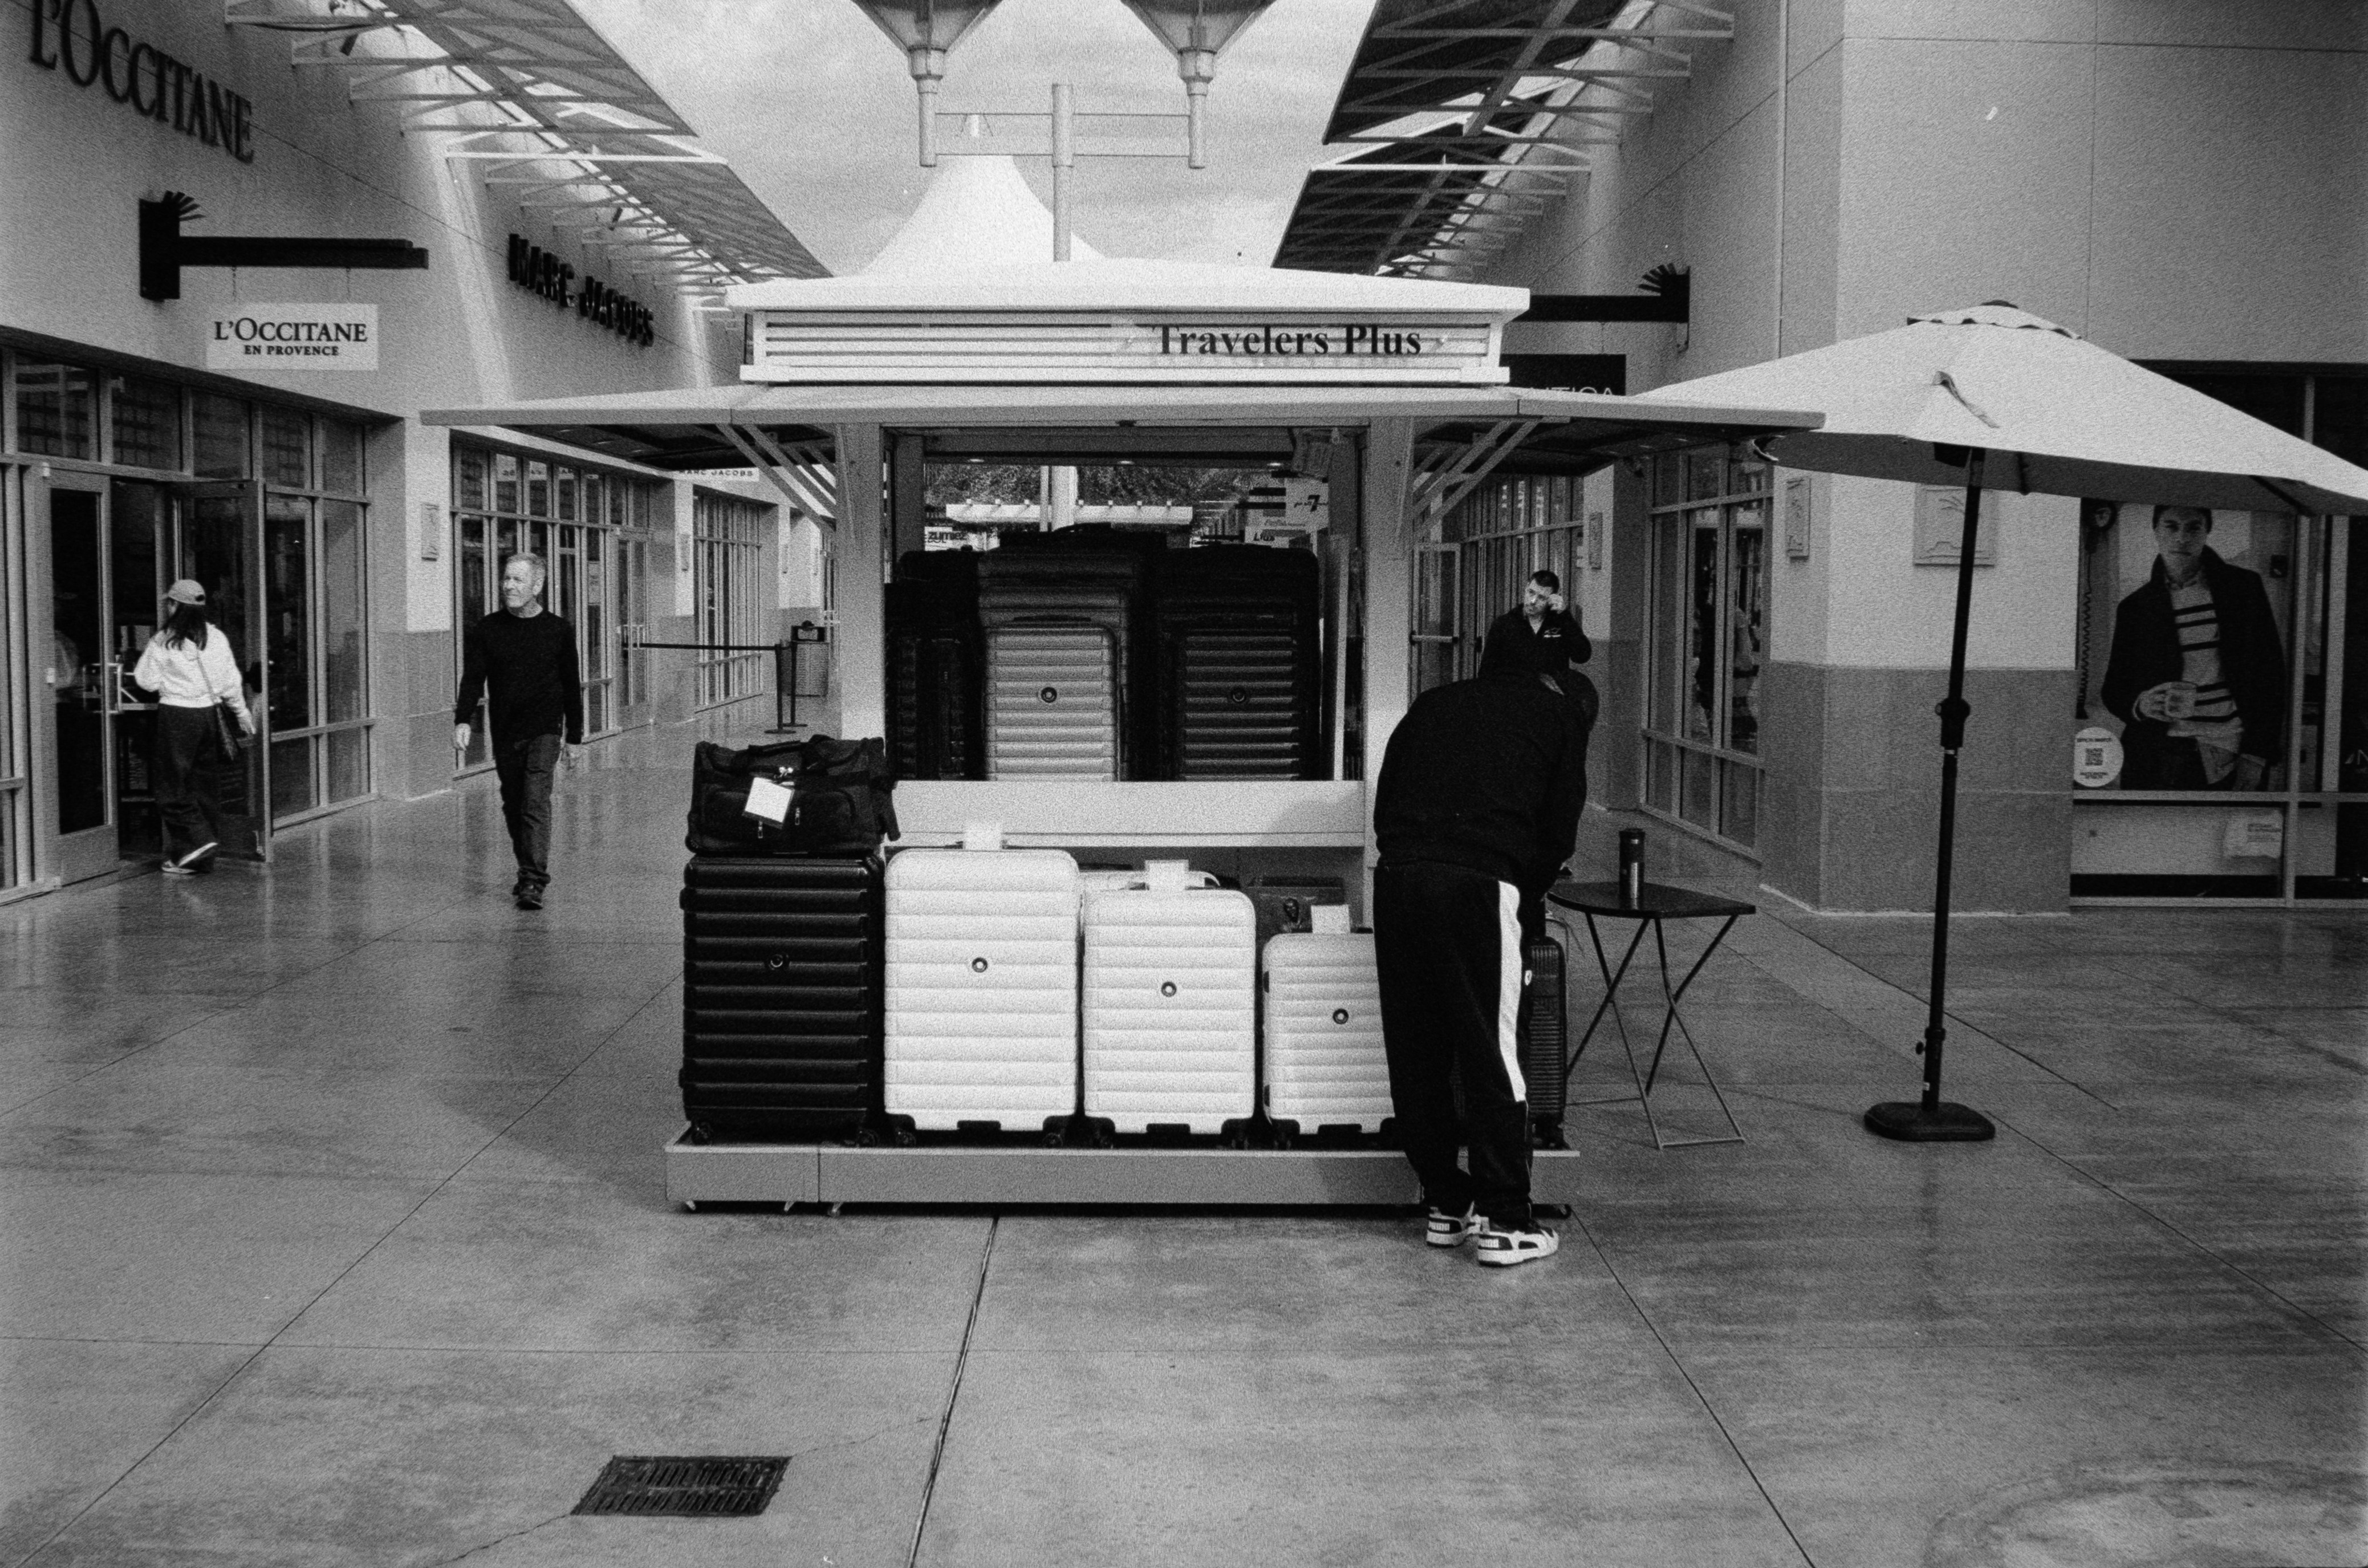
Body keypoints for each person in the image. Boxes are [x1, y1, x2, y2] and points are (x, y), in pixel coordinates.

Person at [1371, 661, 1590, 1268]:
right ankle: (1507, 1219)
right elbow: (1559, 828)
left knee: (1417, 1045)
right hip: (1480, 882)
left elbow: (1387, 795)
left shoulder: (1433, 701)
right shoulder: (1561, 711)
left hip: (1398, 876)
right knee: (1492, 1047)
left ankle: (1447, 1202)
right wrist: (1524, 888)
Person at [2101, 505, 2285, 791]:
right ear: (2156, 531)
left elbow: (2270, 675)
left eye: (2193, 527)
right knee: (2150, 834)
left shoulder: (2242, 589)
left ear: (2207, 531)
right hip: (2156, 751)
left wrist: (2257, 755)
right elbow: (2114, 689)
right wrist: (2141, 704)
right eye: (2171, 527)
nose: (2182, 538)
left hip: (2228, 749)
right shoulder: (2136, 607)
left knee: (2231, 834)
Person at [454, 554, 583, 909]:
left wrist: (574, 736)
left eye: (517, 580)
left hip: (545, 728)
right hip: (506, 729)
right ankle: (526, 867)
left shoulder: (558, 630)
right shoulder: (487, 629)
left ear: (537, 586)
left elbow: (571, 685)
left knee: (535, 802)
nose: (508, 586)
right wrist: (463, 718)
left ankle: (533, 880)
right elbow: (473, 678)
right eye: (506, 579)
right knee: (513, 803)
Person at [131, 579, 255, 876]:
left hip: (177, 716)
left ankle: (199, 841)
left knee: (171, 786)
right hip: (209, 716)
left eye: (170, 603)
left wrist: (171, 684)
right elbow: (230, 683)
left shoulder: (165, 639)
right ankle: (197, 858)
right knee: (204, 785)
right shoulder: (217, 637)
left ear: (175, 606)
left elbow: (145, 679)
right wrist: (242, 715)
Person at [1481, 570, 1591, 686]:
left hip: (1549, 697)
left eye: (1542, 598)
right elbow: (1487, 670)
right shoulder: (1505, 624)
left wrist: (1564, 615)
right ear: (1526, 588)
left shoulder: (1560, 624)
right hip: (1513, 695)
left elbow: (1582, 656)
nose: (1533, 601)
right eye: (1531, 592)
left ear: (1552, 598)